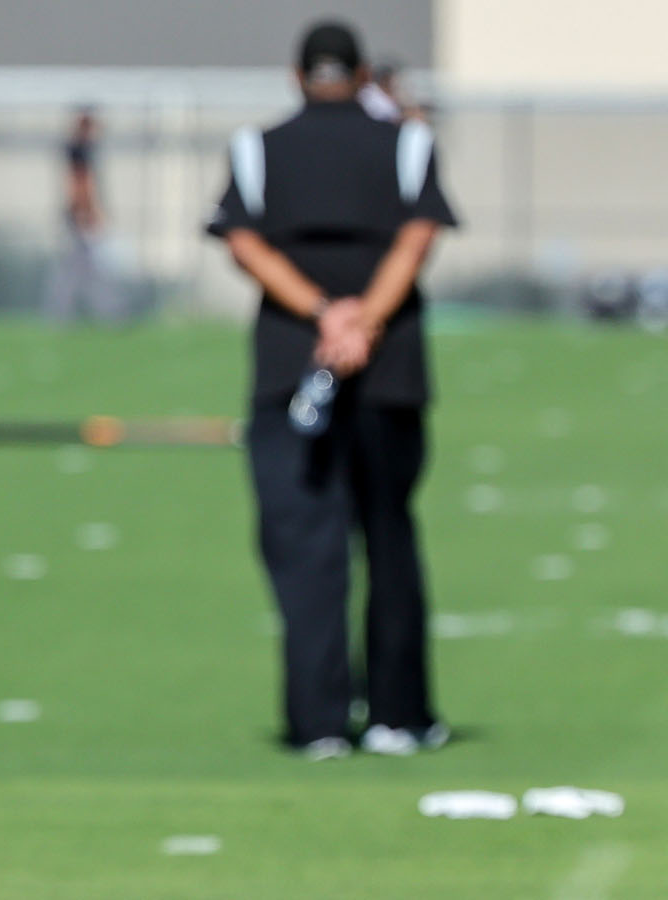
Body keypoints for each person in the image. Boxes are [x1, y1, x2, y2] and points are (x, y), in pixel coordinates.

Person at [206, 20, 458, 760]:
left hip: (292, 362)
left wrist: (324, 314)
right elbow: (417, 236)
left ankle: (319, 724)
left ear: (297, 76)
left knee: (306, 546)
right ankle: (399, 718)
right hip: (390, 368)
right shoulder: (408, 142)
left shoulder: (257, 147)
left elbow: (244, 241)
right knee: (388, 531)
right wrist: (366, 320)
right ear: (361, 76)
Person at [43, 108, 124, 321]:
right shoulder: (80, 150)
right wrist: (88, 213)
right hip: (80, 215)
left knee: (81, 269)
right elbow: (80, 183)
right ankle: (104, 311)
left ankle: (68, 312)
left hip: (78, 214)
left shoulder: (79, 148)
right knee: (85, 268)